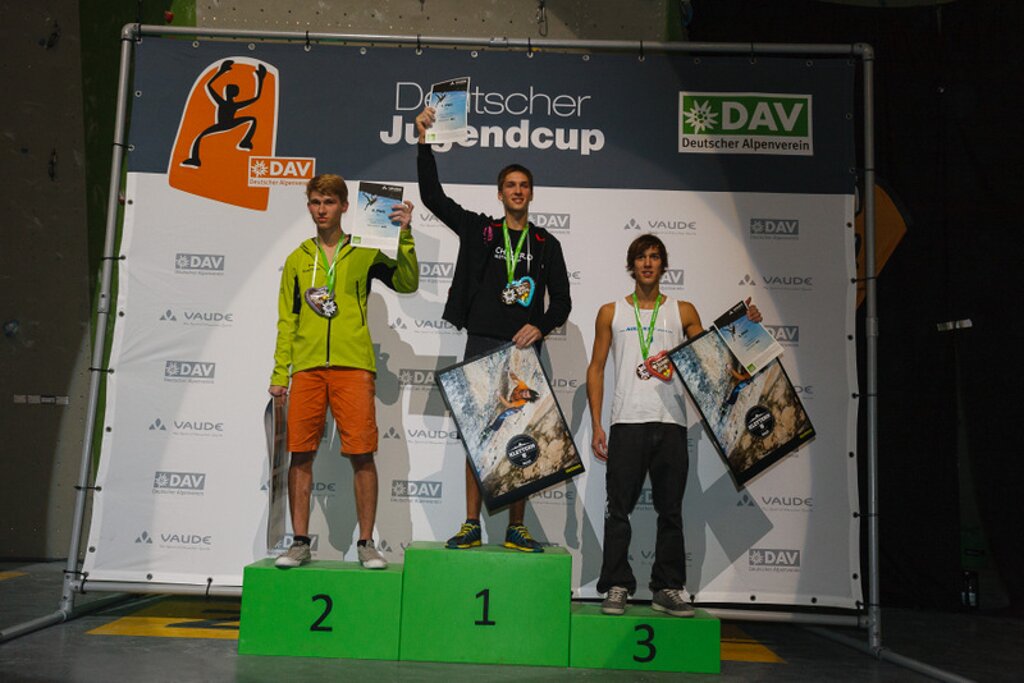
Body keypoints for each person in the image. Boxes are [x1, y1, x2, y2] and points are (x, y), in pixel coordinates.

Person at [416, 105, 572, 553]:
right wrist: (423, 142)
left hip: (523, 352)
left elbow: (562, 302)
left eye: (524, 186)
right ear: (499, 194)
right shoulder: (481, 231)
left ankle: (515, 528)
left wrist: (539, 326)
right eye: (510, 186)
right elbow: (433, 198)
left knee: (522, 439)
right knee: (478, 437)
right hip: (482, 345)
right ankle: (471, 524)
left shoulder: (545, 243)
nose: (517, 191)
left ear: (531, 194)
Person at [586, 233, 760, 616]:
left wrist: (746, 328)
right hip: (626, 421)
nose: (648, 263)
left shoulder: (683, 311)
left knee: (671, 511)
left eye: (654, 257)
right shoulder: (611, 312)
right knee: (618, 511)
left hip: (671, 424)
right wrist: (597, 425)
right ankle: (616, 585)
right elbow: (596, 368)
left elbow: (714, 356)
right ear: (631, 265)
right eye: (641, 257)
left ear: (664, 265)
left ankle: (667, 587)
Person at [270, 174, 418, 569]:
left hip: (353, 367)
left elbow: (407, 282)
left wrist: (405, 236)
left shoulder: (365, 250)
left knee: (362, 455)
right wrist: (280, 373)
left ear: (345, 207)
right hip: (307, 368)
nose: (322, 210)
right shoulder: (297, 258)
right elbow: (287, 320)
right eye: (315, 202)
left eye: (329, 202)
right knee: (300, 455)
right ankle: (300, 542)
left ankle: (366, 543)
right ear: (309, 206)